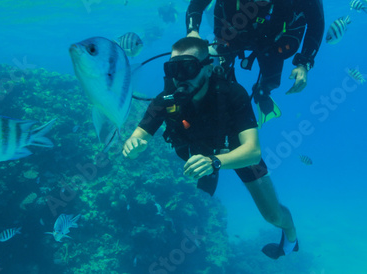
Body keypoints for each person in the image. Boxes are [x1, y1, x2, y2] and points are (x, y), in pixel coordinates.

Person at [122, 37, 298, 259]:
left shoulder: (232, 94)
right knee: (203, 192)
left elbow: (253, 152)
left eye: (188, 68)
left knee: (273, 217)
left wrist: (214, 162)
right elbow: (138, 138)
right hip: (201, 156)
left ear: (208, 68)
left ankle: (291, 232)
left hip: (235, 154)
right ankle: (210, 170)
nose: (180, 78)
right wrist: (133, 146)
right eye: (174, 69)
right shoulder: (165, 100)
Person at [186, 0, 324, 126]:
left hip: (273, 41)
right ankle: (208, 117)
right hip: (230, 36)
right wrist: (193, 32)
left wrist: (304, 63)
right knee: (214, 78)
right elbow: (197, 2)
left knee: (272, 82)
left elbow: (316, 21)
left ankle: (262, 93)